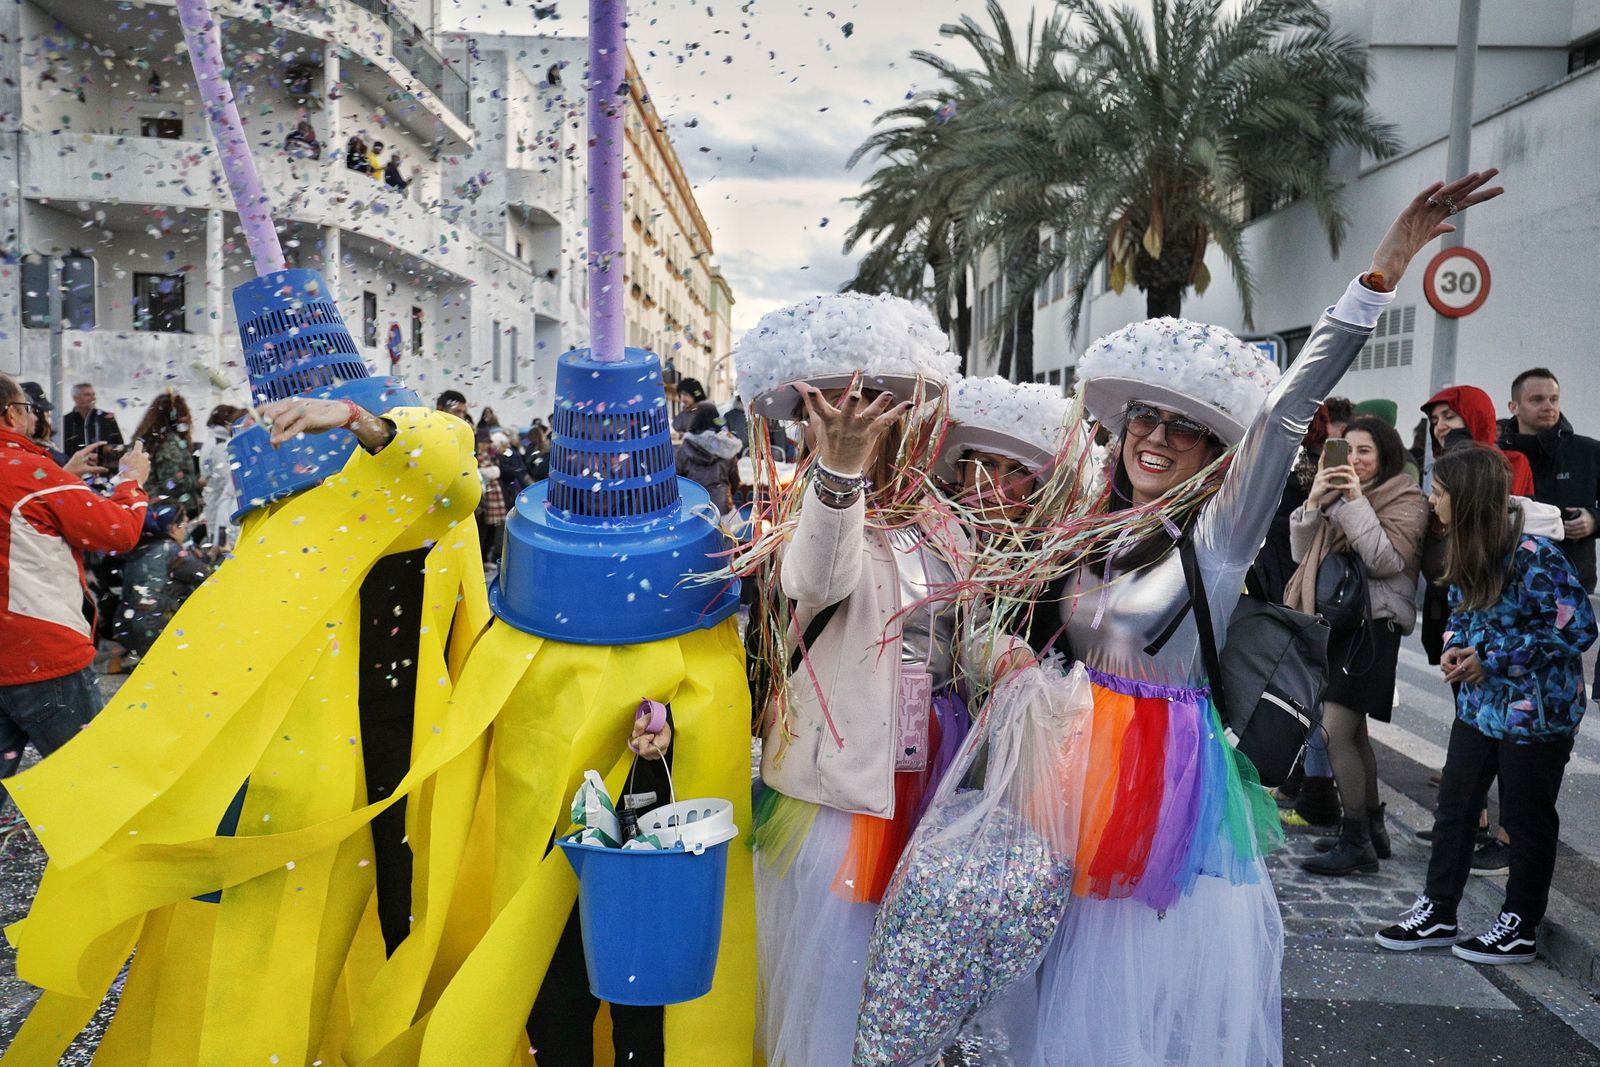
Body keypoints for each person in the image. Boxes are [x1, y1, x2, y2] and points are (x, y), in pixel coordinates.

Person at [1017, 172, 1502, 1065]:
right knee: (1066, 969)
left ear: (1214, 448)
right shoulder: (1085, 525)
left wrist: (1381, 273)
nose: (1157, 438)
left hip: (1161, 784)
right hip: (1069, 768)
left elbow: (1284, 411)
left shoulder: (1217, 537)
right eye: (1145, 421)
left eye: (1185, 428)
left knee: (1142, 977)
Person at [737, 292, 1020, 1067]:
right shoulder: (815, 511)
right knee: (839, 986)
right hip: (845, 796)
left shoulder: (941, 519)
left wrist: (999, 654)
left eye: (882, 411)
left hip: (932, 775)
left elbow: (960, 627)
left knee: (910, 986)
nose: (869, 425)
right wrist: (838, 470)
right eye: (845, 413)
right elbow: (818, 580)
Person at [1377, 444, 1596, 964]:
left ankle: (1519, 923)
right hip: (1480, 706)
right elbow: (1460, 609)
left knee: (1525, 820)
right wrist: (1455, 645)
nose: (1433, 503)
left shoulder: (1534, 554)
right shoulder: (1465, 546)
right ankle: (1437, 911)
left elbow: (1578, 628)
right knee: (1455, 808)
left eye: (1440, 493)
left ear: (1467, 499)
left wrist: (1493, 658)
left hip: (1537, 714)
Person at [0, 372, 149, 828]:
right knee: (97, 797)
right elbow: (117, 531)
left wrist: (63, 479)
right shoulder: (29, 472)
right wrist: (131, 481)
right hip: (42, 657)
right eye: (27, 408)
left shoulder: (40, 478)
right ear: (10, 413)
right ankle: (119, 890)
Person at [1291, 416, 1428, 876]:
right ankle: (1373, 828)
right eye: (1346, 450)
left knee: (1331, 731)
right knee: (1354, 732)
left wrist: (1352, 500)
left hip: (1374, 626)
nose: (1353, 460)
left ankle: (1356, 842)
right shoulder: (1334, 494)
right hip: (1337, 624)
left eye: (1364, 451)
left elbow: (1387, 561)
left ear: (1386, 454)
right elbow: (1299, 553)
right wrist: (1313, 503)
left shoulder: (1406, 499)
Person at [1498, 368, 1600, 594]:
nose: (1548, 406)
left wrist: (1594, 520)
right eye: (1537, 399)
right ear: (1513, 407)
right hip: (1506, 584)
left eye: (1554, 399)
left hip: (1570, 585)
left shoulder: (1589, 452)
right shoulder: (1495, 457)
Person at [112, 497, 214, 666]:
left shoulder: (139, 548)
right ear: (174, 528)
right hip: (156, 628)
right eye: (185, 524)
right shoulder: (170, 549)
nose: (186, 529)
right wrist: (220, 555)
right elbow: (208, 575)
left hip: (126, 628)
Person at [132, 390, 201, 518]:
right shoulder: (169, 445)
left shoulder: (150, 440)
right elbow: (173, 483)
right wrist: (198, 482)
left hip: (153, 508)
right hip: (172, 513)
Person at [198, 403, 246, 554]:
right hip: (220, 509)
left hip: (219, 509)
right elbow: (226, 480)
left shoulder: (212, 442)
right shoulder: (219, 445)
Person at [675, 426, 742, 514]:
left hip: (693, 506)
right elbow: (735, 481)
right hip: (721, 506)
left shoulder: (683, 450)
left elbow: (677, 481)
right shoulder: (727, 450)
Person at [62, 380, 124, 459]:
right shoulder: (65, 421)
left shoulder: (106, 418)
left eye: (94, 395)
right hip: (73, 468)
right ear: (75, 398)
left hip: (103, 468)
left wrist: (110, 449)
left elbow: (119, 444)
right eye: (87, 395)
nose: (93, 398)